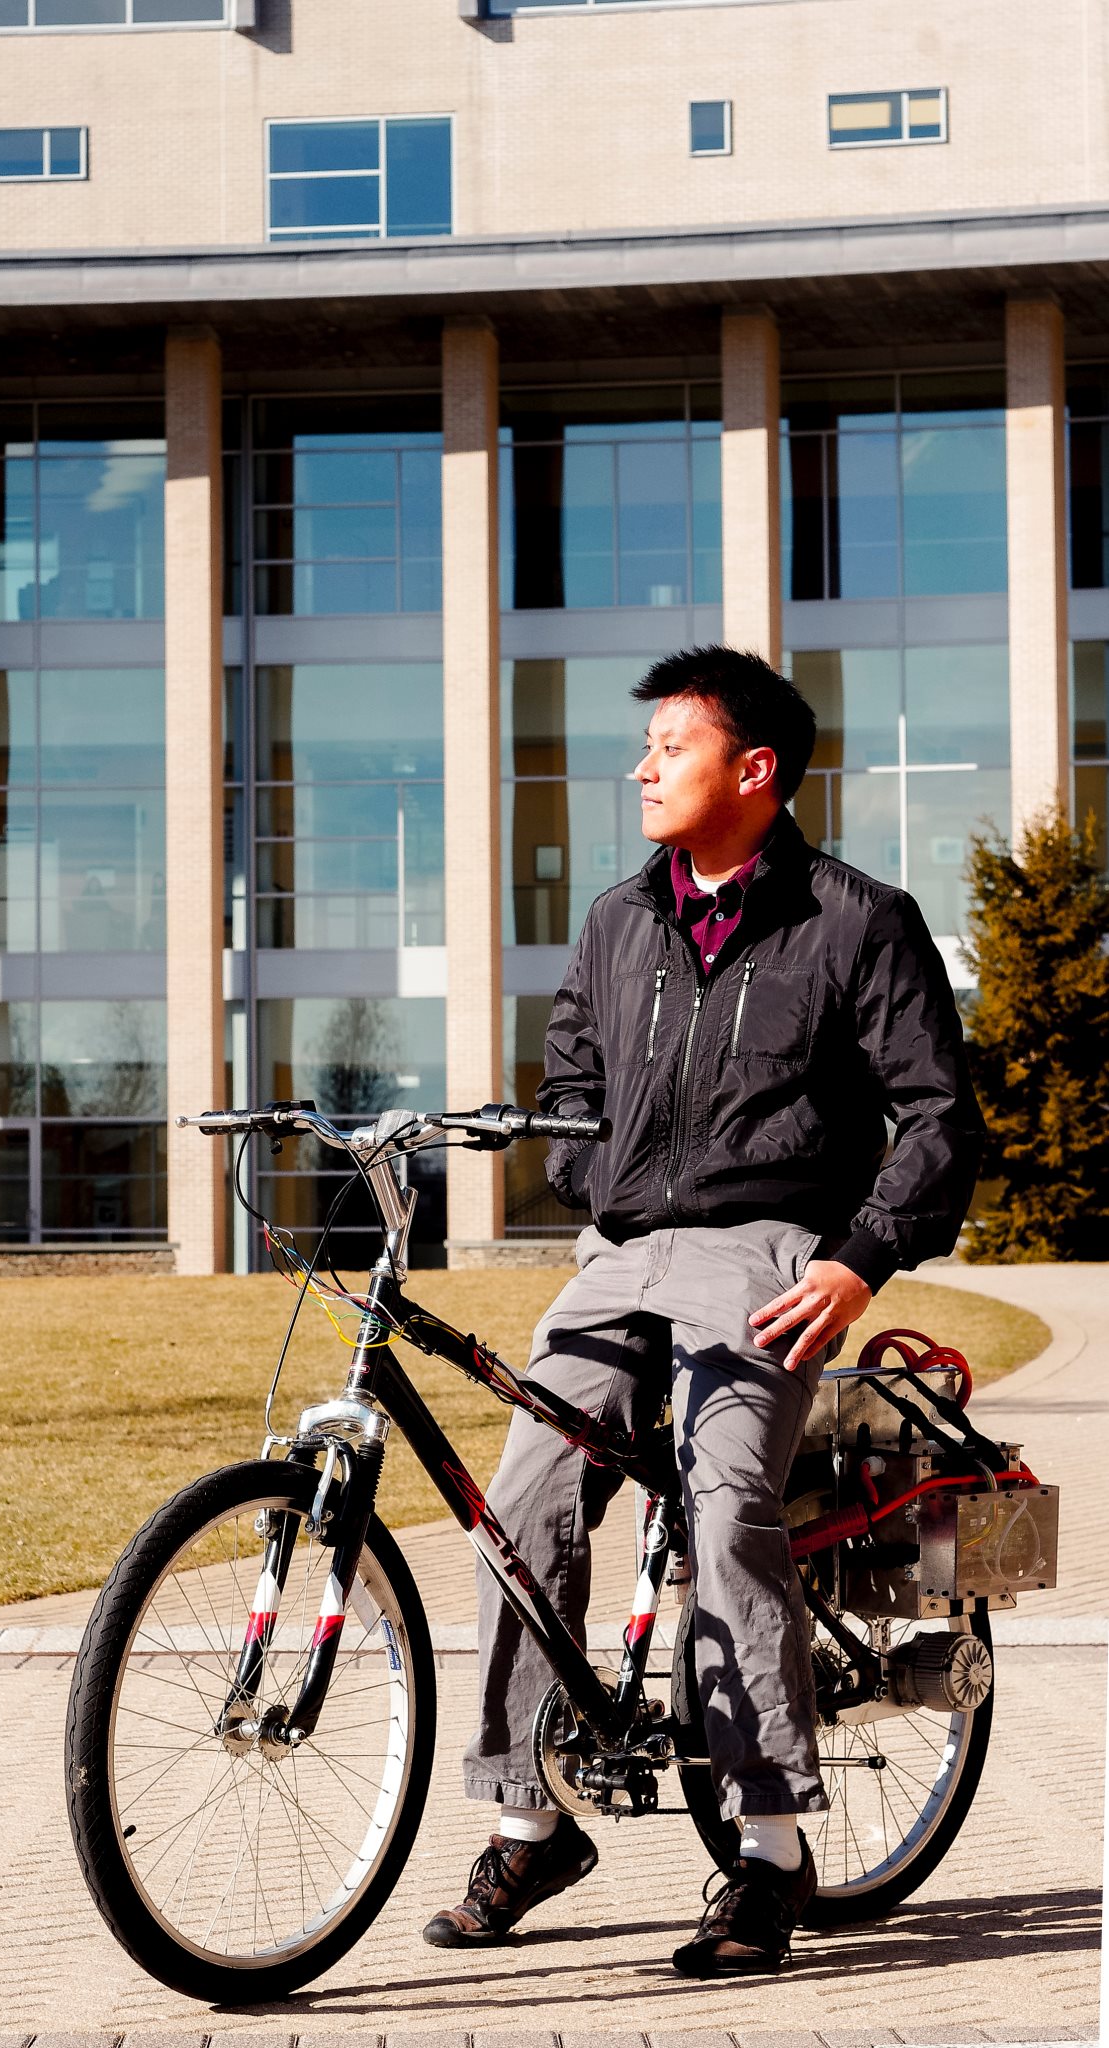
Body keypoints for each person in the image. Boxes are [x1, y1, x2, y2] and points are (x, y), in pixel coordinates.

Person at [422, 645, 984, 1975]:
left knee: (727, 1499)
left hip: (772, 1249)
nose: (641, 769)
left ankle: (771, 1844)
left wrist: (854, 1260)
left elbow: (937, 1120)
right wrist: (597, 1179)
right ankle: (526, 1817)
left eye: (667, 746)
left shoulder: (857, 919)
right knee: (523, 1502)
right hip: (620, 1253)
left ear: (752, 770)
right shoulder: (618, 923)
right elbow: (569, 1095)